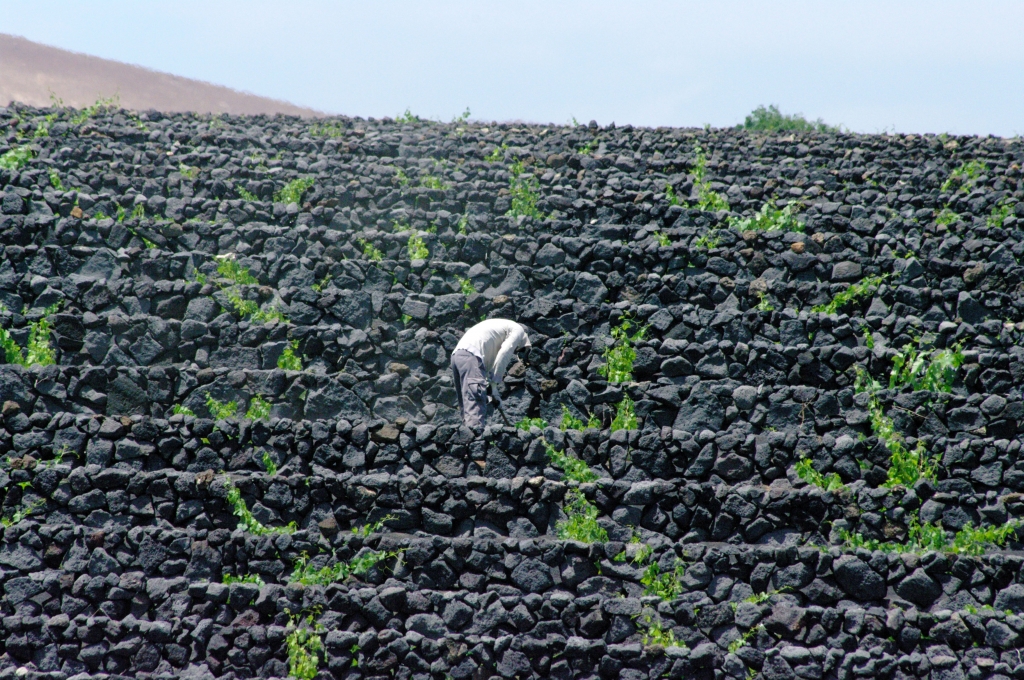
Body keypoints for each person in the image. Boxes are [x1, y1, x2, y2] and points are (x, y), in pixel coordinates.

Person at [450, 318, 531, 430]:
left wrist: (494, 393)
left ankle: (466, 439)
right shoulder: (519, 330)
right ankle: (476, 439)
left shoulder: (499, 328)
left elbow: (488, 369)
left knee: (467, 403)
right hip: (471, 357)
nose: (517, 351)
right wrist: (494, 384)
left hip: (457, 355)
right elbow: (504, 354)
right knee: (476, 399)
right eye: (519, 349)